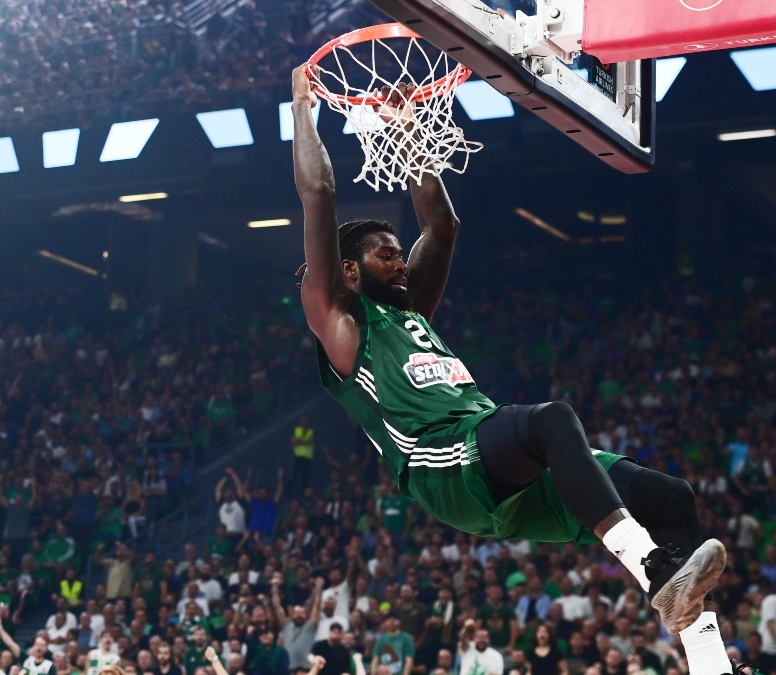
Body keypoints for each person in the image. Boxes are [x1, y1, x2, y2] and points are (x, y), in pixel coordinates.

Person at [289, 64, 724, 641]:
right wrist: (302, 107)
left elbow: (441, 225)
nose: (400, 262)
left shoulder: (411, 311)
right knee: (550, 420)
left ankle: (710, 660)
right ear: (349, 270)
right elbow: (319, 194)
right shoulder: (341, 322)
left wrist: (408, 129)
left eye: (399, 253)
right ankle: (648, 565)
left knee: (671, 498)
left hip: (491, 454)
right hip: (442, 463)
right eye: (385, 255)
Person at [291, 415, 316, 496]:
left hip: (307, 457)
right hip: (297, 456)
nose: (304, 421)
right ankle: (291, 495)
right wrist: (305, 441)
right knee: (293, 476)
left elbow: (311, 442)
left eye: (305, 419)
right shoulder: (296, 430)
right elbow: (293, 442)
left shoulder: (311, 431)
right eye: (303, 419)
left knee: (305, 478)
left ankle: (303, 494)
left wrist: (299, 441)